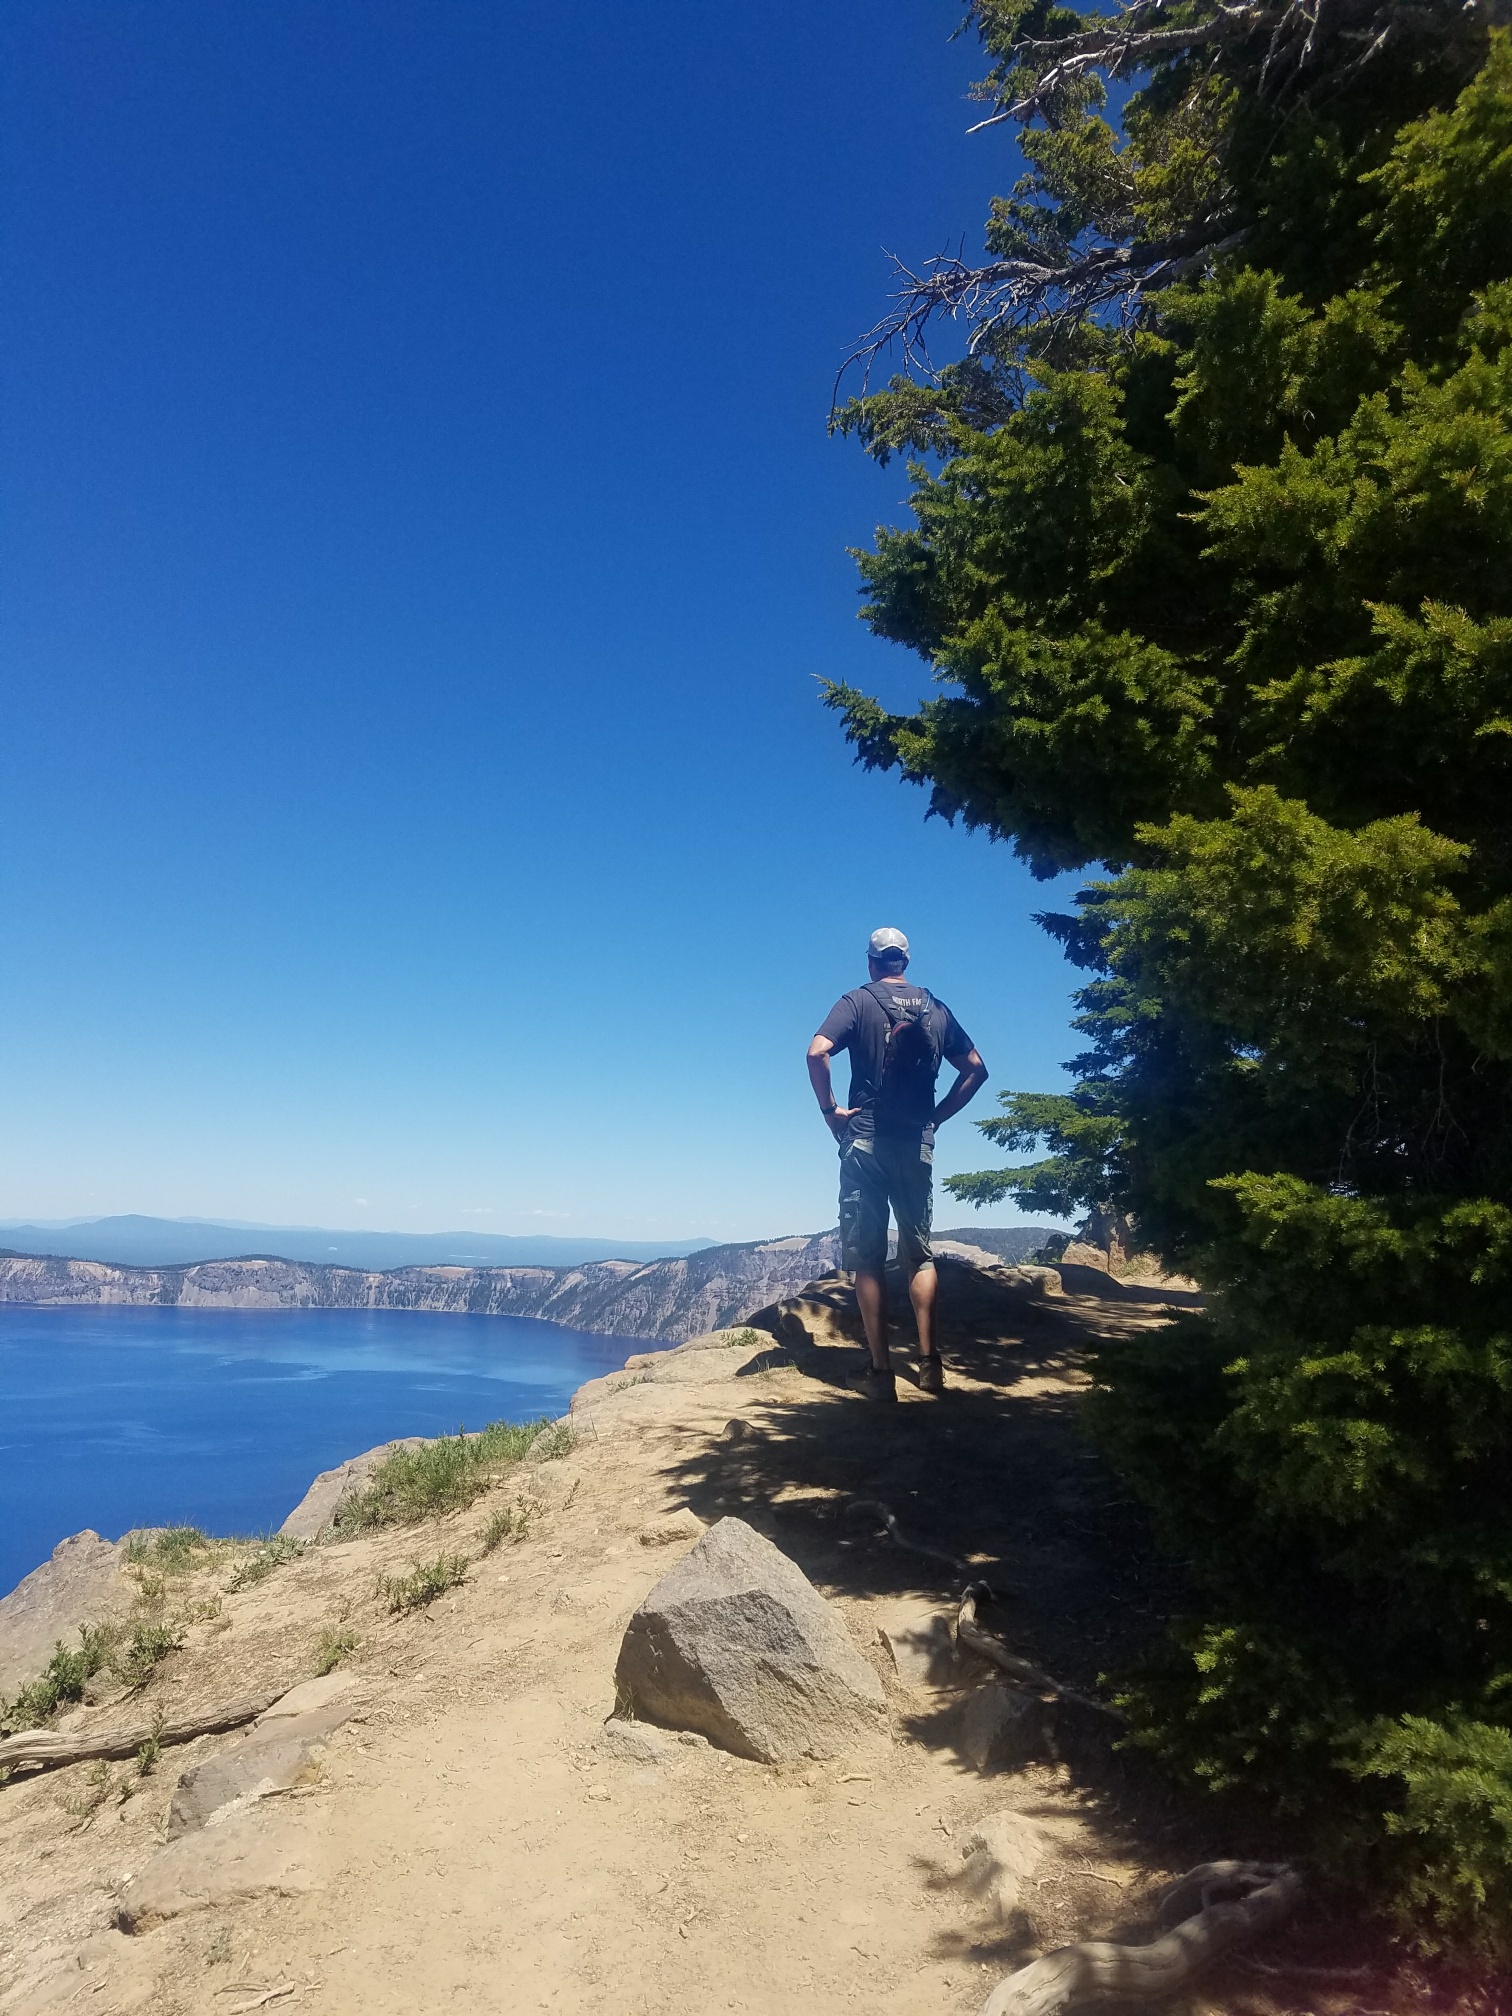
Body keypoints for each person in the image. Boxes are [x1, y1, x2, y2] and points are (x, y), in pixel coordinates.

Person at [806, 928, 988, 1400]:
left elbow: (817, 1052)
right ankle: (929, 1367)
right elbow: (975, 1068)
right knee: (918, 1254)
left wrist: (830, 1114)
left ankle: (880, 1372)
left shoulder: (857, 1001)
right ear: (904, 962)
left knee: (867, 1260)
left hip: (866, 1140)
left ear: (871, 962)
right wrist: (937, 1118)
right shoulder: (935, 1008)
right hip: (916, 1143)